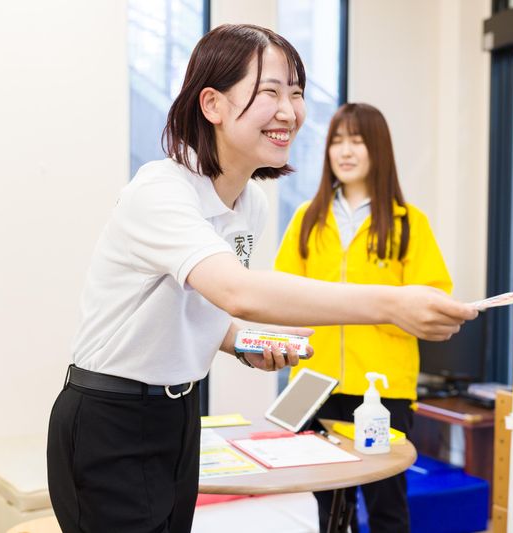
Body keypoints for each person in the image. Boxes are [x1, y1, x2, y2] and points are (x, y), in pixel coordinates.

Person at [46, 24, 476, 533]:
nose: (289, 111)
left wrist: (241, 342)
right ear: (212, 104)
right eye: (270, 91)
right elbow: (239, 292)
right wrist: (392, 303)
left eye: (296, 93)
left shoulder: (252, 203)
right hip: (110, 414)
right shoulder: (159, 191)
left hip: (178, 413)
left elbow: (204, 306)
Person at [274, 102, 453, 532]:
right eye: (337, 141)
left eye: (356, 140)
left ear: (378, 148)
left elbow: (434, 302)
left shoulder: (409, 224)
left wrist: (380, 310)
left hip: (383, 390)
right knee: (328, 508)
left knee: (387, 505)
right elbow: (280, 295)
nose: (345, 150)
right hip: (314, 385)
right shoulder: (307, 219)